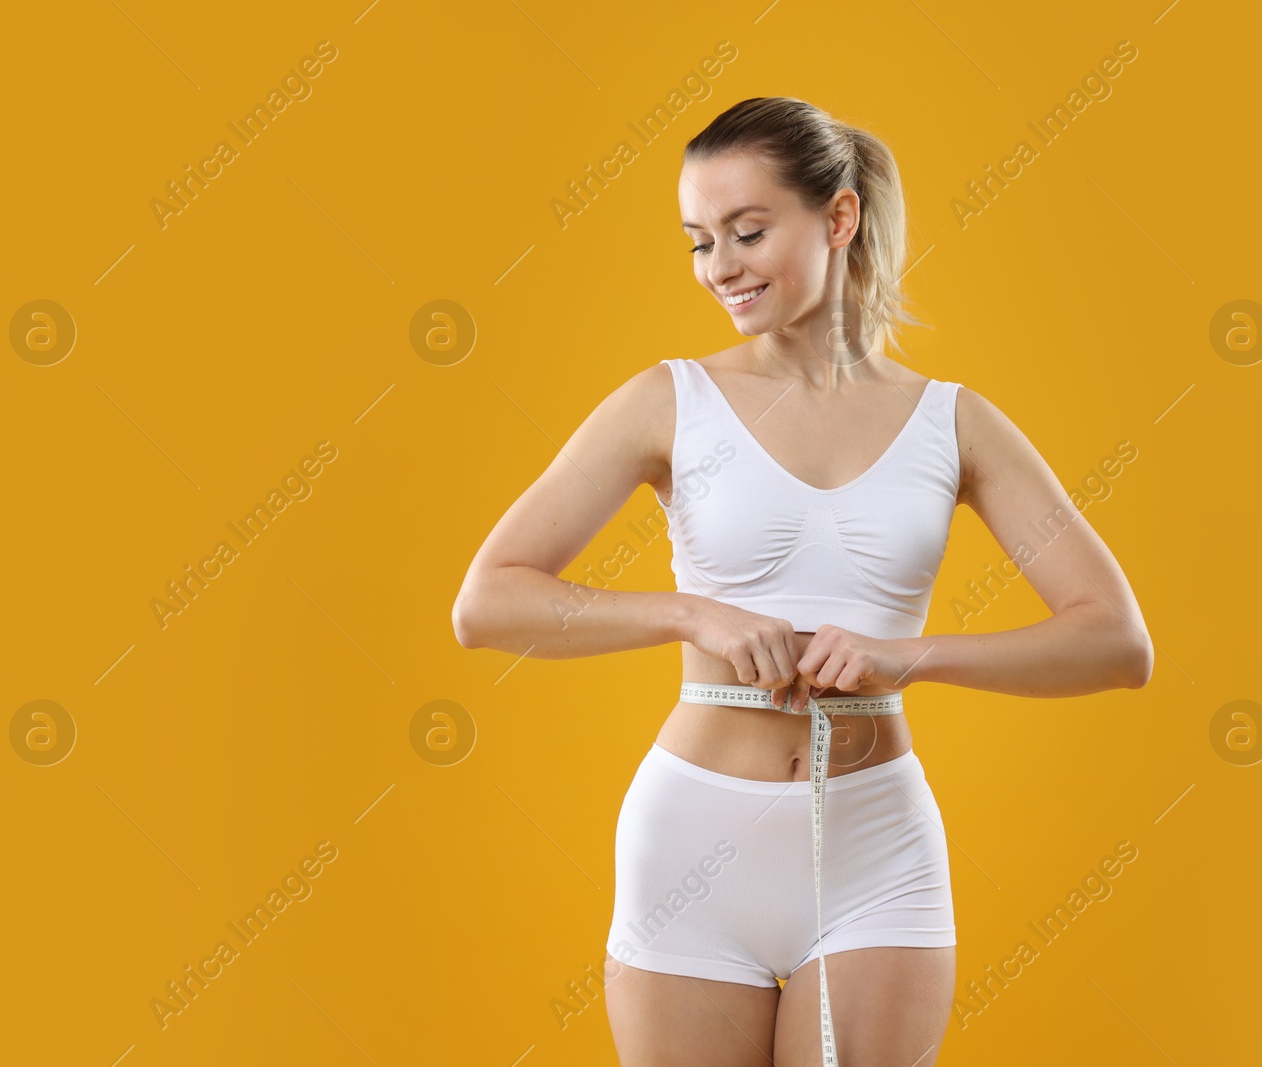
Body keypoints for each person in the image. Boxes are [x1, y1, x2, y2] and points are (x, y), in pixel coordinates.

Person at [452, 96, 1153, 1066]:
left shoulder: (953, 423)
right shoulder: (668, 402)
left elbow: (1116, 640)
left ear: (837, 218)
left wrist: (908, 655)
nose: (719, 267)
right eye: (698, 241)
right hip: (694, 842)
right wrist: (688, 612)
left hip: (876, 847)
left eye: (746, 231)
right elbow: (486, 600)